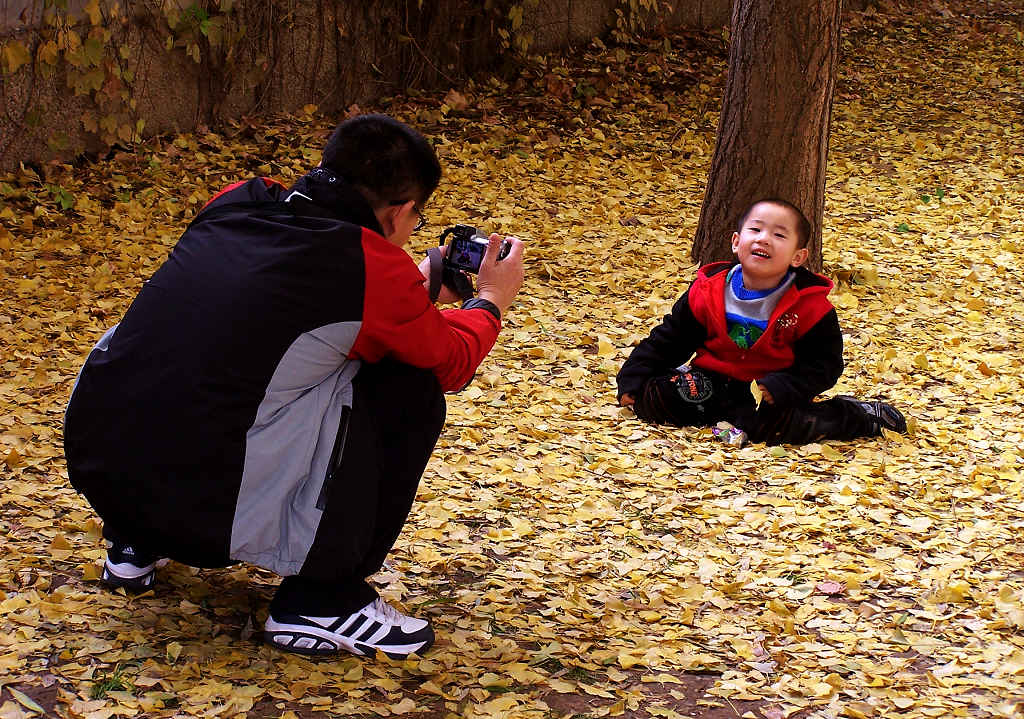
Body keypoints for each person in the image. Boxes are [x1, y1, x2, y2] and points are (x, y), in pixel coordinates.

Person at [63, 114, 524, 660]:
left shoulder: (239, 200)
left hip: (108, 472)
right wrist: (490, 300)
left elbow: (268, 308)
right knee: (407, 385)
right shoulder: (369, 267)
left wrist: (413, 287)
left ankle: (138, 541)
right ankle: (322, 600)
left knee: (200, 361)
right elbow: (449, 362)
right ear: (401, 211)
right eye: (417, 218)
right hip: (208, 512)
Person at [617, 198, 905, 446]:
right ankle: (715, 412)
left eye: (779, 235)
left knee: (779, 428)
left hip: (770, 392)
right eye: (755, 229)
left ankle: (858, 415)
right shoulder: (707, 291)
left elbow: (824, 366)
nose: (763, 238)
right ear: (736, 241)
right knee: (657, 399)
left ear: (798, 256)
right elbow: (669, 339)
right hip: (712, 383)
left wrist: (782, 386)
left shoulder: (810, 308)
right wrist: (633, 379)